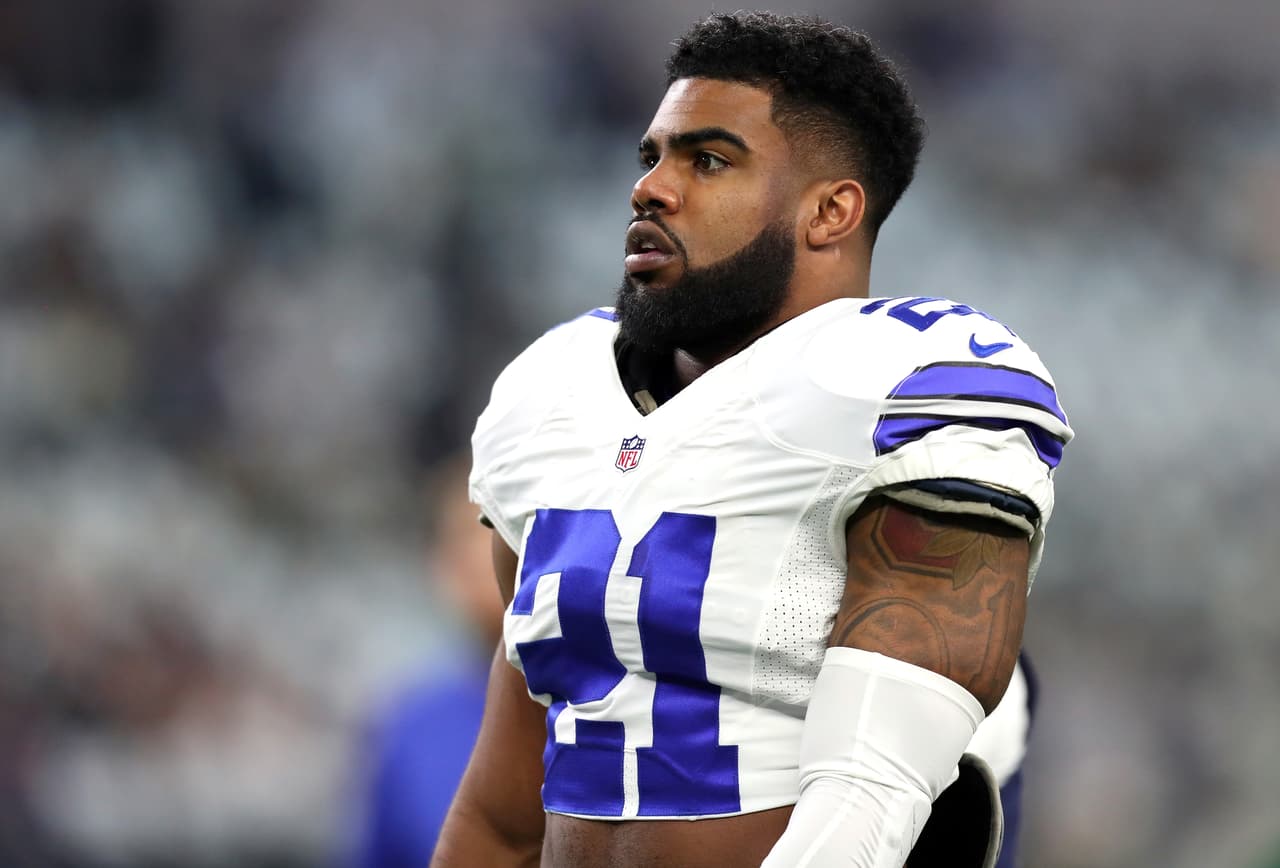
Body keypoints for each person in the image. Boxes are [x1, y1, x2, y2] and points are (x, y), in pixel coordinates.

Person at [433, 11, 1071, 868]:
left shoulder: (899, 384)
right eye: (651, 156)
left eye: (707, 160)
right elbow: (503, 814)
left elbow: (867, 798)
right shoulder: (553, 395)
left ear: (831, 211)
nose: (652, 188)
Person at [346, 456, 504, 868]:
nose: (484, 553)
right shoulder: (412, 724)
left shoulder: (611, 708)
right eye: (467, 535)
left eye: (501, 526)